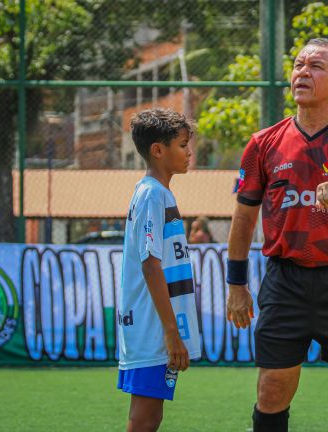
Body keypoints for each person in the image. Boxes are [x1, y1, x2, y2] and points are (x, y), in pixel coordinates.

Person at [225, 38, 328, 432]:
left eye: (316, 66)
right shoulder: (262, 143)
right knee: (271, 390)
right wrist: (236, 285)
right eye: (299, 65)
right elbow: (244, 218)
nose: (303, 72)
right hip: (285, 282)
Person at [117, 108, 202, 431]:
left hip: (154, 324)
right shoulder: (153, 193)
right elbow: (151, 264)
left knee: (150, 415)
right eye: (182, 145)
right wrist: (171, 332)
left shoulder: (158, 192)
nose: (189, 152)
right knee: (145, 417)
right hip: (153, 326)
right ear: (157, 150)